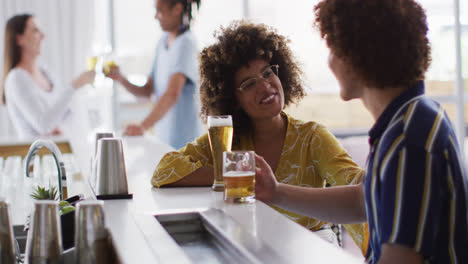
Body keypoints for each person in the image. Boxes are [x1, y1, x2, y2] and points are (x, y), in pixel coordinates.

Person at [254, 0, 468, 263]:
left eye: (332, 48)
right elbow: (364, 201)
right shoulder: (410, 119)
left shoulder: (408, 140)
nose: (330, 61)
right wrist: (276, 192)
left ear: (357, 56)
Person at [152, 21, 368, 251]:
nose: (265, 87)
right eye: (249, 84)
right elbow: (163, 171)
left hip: (311, 250)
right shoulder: (228, 140)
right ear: (232, 100)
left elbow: (359, 188)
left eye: (268, 73)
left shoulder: (312, 137)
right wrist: (234, 174)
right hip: (254, 249)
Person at [106, 0, 202, 149]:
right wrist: (121, 79)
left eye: (159, 11)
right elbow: (147, 91)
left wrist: (142, 126)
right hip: (164, 141)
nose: (156, 17)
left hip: (185, 144)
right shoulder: (163, 42)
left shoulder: (186, 43)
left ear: (177, 9)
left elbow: (172, 94)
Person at [1, 14, 95, 139]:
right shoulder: (16, 79)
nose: (43, 36)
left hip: (61, 150)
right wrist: (74, 86)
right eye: (35, 30)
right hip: (38, 155)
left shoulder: (46, 73)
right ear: (19, 39)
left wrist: (56, 124)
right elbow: (44, 125)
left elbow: (64, 115)